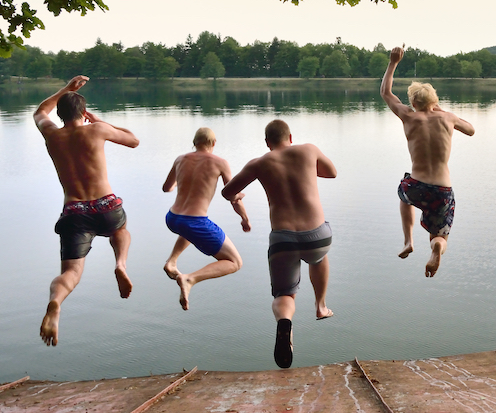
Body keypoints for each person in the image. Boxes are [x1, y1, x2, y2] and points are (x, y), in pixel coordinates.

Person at [34, 76, 140, 346]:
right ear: (83, 113)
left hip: (74, 210)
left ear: (60, 114)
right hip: (106, 204)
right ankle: (120, 264)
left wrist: (66, 89)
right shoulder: (96, 130)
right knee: (120, 229)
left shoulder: (52, 134)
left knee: (70, 272)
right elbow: (133, 140)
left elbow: (39, 112)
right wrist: (99, 121)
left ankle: (56, 302)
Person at [222, 119, 336, 369]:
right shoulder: (308, 149)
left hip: (282, 239)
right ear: (290, 137)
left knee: (284, 294)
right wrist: (305, 169)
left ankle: (285, 322)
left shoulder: (259, 164)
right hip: (316, 235)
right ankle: (320, 305)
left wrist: (238, 196)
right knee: (318, 256)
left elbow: (227, 192)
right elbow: (332, 172)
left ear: (267, 143)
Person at [380, 46, 475, 277]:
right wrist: (440, 110)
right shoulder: (448, 118)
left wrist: (393, 63)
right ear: (435, 100)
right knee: (440, 235)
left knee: (404, 193)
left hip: (416, 186)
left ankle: (408, 240)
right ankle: (436, 249)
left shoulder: (408, 116)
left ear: (413, 102)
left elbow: (386, 93)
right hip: (442, 189)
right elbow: (471, 130)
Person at [162, 127, 251, 310]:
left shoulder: (180, 159)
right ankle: (189, 279)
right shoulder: (220, 163)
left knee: (188, 230)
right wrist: (245, 218)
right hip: (195, 222)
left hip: (173, 218)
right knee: (235, 262)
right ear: (214, 143)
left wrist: (182, 182)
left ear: (194, 143)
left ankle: (171, 262)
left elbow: (167, 188)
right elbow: (232, 196)